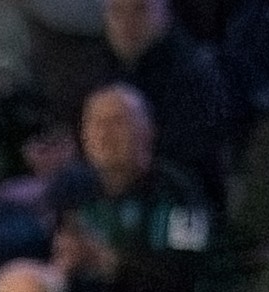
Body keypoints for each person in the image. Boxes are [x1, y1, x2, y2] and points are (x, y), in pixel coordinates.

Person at [44, 86, 219, 292]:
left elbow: (186, 281)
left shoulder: (179, 192)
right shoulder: (71, 188)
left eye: (117, 123)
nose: (104, 134)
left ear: (147, 131)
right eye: (95, 124)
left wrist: (108, 262)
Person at [89, 0, 230, 200]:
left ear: (166, 13)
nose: (127, 22)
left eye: (140, 10)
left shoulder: (195, 74)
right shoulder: (107, 70)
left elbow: (187, 162)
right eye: (116, 11)